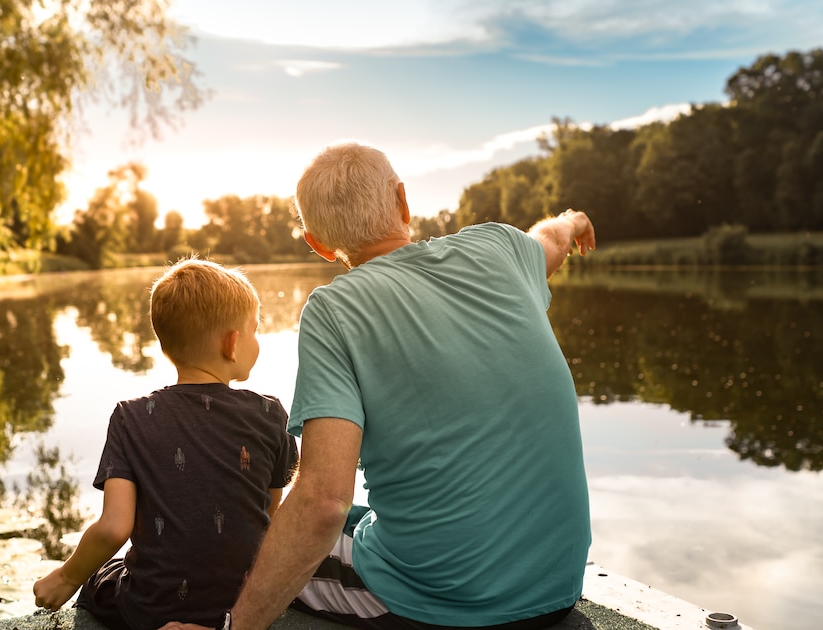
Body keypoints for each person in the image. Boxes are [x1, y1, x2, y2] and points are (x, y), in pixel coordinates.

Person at [162, 142, 596, 630]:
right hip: (558, 584)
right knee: (345, 520)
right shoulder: (500, 246)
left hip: (449, 600)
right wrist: (573, 220)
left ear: (317, 244)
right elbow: (551, 239)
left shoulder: (334, 311)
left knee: (253, 542)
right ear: (403, 202)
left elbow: (323, 501)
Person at [34, 258, 299, 630]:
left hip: (150, 609)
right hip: (245, 604)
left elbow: (114, 529)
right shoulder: (271, 414)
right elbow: (268, 518)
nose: (258, 341)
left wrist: (65, 577)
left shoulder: (130, 418)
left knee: (98, 579)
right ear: (232, 343)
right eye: (255, 330)